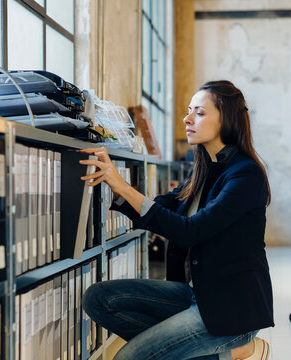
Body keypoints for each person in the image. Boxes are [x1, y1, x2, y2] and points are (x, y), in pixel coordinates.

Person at [79, 80, 273, 360]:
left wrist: (122, 186)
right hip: (198, 294)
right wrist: (114, 186)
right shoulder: (206, 168)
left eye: (200, 113)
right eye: (188, 110)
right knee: (98, 298)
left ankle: (238, 345)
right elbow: (162, 207)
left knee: (128, 358)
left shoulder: (245, 174)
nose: (187, 118)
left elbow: (191, 231)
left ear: (227, 120)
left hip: (231, 310)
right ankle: (225, 355)